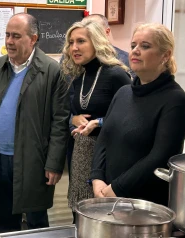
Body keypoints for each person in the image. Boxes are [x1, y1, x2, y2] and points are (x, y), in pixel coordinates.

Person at [0, 13, 70, 233]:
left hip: (33, 160)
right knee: (6, 219)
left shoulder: (51, 71)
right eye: (7, 35)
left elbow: (60, 121)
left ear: (33, 39)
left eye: (16, 36)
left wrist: (54, 163)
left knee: (36, 220)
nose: (9, 41)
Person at [90, 23, 185, 206]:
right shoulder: (124, 93)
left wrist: (117, 187)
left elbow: (160, 156)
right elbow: (104, 138)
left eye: (145, 46)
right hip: (108, 195)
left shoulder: (175, 99)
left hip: (145, 205)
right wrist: (97, 178)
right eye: (133, 45)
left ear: (165, 55)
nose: (135, 51)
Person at [61, 19, 131, 220]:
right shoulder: (78, 77)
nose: (74, 47)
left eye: (81, 41)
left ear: (97, 42)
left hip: (108, 159)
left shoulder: (117, 74)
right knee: (80, 216)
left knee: (104, 218)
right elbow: (71, 112)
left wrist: (99, 122)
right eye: (71, 42)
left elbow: (130, 117)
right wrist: (73, 119)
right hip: (81, 155)